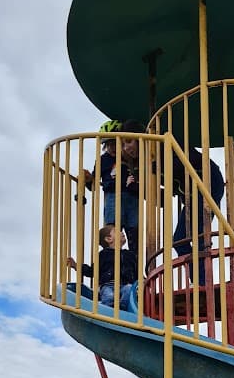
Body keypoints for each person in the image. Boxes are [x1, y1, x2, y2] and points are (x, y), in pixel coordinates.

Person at [121, 119, 224, 285]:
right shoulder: (146, 164)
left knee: (189, 237)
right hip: (192, 195)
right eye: (123, 146)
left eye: (128, 142)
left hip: (207, 182)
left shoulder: (162, 143)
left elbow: (189, 160)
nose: (126, 148)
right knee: (184, 239)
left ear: (140, 137)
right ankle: (201, 281)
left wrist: (158, 166)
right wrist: (137, 187)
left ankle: (202, 282)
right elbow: (161, 199)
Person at [84, 120, 139, 256]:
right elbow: (93, 183)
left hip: (132, 197)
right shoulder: (103, 160)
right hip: (113, 197)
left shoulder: (129, 156)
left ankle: (135, 267)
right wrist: (87, 180)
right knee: (113, 232)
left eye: (114, 142)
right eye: (108, 144)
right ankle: (112, 265)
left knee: (134, 235)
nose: (112, 147)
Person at [67, 224, 137, 311]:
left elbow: (136, 272)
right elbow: (92, 271)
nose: (121, 232)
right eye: (116, 231)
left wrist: (142, 281)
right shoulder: (103, 255)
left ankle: (122, 310)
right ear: (108, 239)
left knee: (129, 289)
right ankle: (107, 312)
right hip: (108, 285)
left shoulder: (130, 255)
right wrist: (76, 266)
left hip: (125, 284)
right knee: (109, 296)